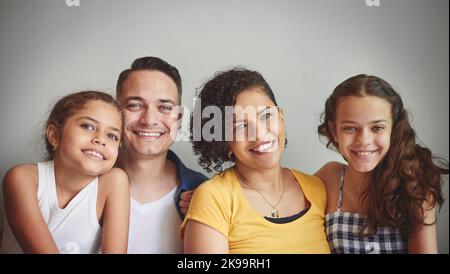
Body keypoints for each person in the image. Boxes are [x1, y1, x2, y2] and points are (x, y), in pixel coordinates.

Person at [180, 68, 330, 254]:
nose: (259, 134)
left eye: (266, 116)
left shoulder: (318, 189)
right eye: (240, 126)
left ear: (281, 117)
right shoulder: (214, 198)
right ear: (224, 141)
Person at [315, 74, 448, 254]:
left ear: (393, 130)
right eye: (350, 128)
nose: (364, 140)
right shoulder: (329, 177)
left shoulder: (415, 187)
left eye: (377, 128)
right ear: (334, 131)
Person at [0, 91, 130, 254]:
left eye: (112, 135)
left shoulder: (115, 182)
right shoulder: (22, 178)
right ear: (54, 135)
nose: (100, 139)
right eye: (88, 126)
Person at [115, 56, 207, 254]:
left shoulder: (205, 193)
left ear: (179, 119)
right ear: (115, 112)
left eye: (165, 108)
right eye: (135, 105)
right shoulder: (79, 185)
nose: (149, 120)